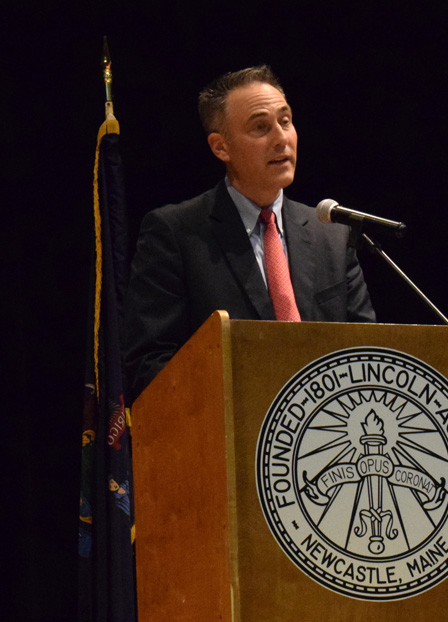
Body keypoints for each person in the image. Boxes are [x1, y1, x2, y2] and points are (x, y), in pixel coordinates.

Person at [123, 65, 375, 402]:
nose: (281, 138)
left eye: (285, 122)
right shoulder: (177, 234)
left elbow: (368, 351)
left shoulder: (330, 234)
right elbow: (150, 365)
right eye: (261, 127)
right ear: (220, 147)